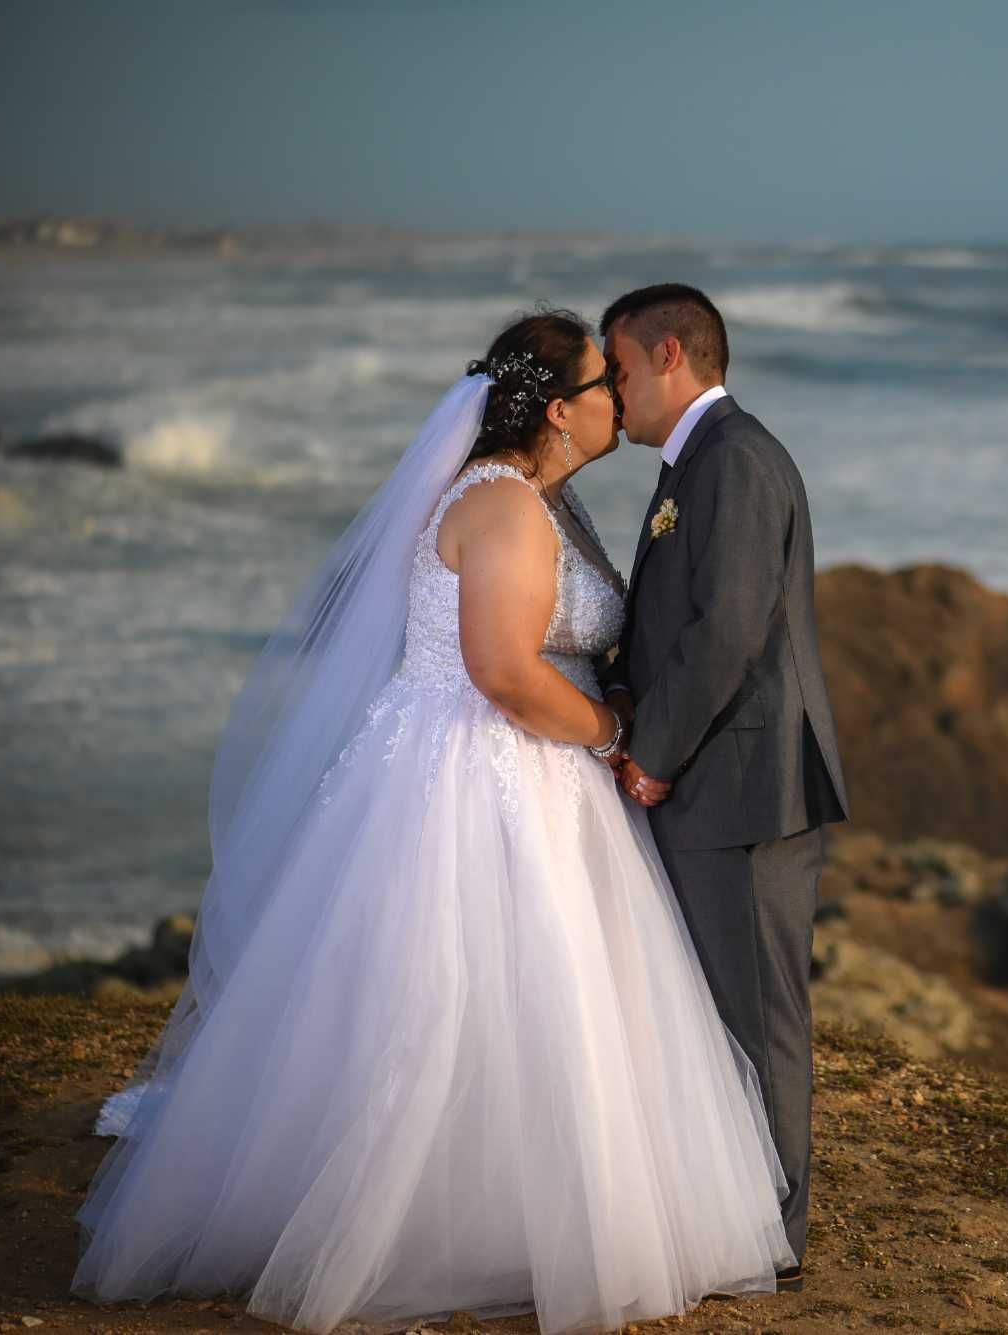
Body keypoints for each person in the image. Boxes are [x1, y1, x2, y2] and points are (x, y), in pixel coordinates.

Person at [71, 309, 798, 1334]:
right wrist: (608, 730)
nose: (618, 401)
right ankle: (448, 1221)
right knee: (461, 998)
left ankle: (523, 1198)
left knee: (552, 1001)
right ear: (559, 410)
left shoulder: (548, 501)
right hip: (482, 773)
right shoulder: (501, 506)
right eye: (603, 387)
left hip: (539, 775)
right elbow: (501, 672)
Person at [595, 284, 850, 1292]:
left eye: (617, 370)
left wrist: (650, 750)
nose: (612, 393)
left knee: (759, 1021)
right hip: (724, 781)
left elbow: (730, 631)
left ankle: (774, 1239)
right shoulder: (695, 462)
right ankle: (737, 1216)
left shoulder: (732, 461)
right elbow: (676, 622)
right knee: (723, 1016)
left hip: (744, 790)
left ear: (669, 356)